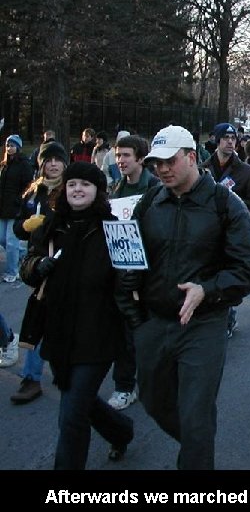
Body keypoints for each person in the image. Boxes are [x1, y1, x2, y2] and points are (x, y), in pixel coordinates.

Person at [118, 124, 250, 469]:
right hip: (154, 322)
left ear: (192, 158)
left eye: (170, 161)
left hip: (204, 325)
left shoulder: (226, 204)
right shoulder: (151, 200)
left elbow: (249, 269)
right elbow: (129, 260)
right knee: (153, 401)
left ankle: (197, 455)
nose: (162, 169)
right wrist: (136, 318)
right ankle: (199, 447)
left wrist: (207, 290)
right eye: (156, 163)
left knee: (196, 416)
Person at [19, 161, 134, 469]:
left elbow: (132, 281)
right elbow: (27, 266)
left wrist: (128, 276)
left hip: (99, 335)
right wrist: (36, 266)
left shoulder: (113, 229)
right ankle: (121, 430)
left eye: (85, 185)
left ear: (97, 191)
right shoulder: (52, 225)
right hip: (58, 334)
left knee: (71, 416)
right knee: (77, 400)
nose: (77, 189)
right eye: (72, 185)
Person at [9, 141, 68, 402]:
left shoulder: (72, 189)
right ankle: (32, 378)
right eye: (48, 160)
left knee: (59, 321)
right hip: (37, 263)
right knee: (38, 319)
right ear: (41, 163)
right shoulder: (34, 193)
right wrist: (26, 226)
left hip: (63, 263)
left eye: (57, 159)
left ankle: (60, 372)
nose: (53, 164)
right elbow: (18, 228)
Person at [106, 135, 160, 411]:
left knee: (147, 332)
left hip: (148, 274)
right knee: (123, 333)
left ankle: (153, 382)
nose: (121, 161)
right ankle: (125, 386)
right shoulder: (115, 189)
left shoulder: (155, 189)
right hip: (121, 272)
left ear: (140, 158)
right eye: (118, 156)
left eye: (126, 155)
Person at [201, 122, 250, 337]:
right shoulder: (204, 169)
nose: (230, 142)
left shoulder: (246, 172)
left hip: (232, 232)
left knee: (228, 273)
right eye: (225, 138)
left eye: (233, 138)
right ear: (216, 140)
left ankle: (227, 314)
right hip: (206, 233)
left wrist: (234, 204)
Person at [1, 134, 34, 282]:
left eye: (12, 145)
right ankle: (22, 254)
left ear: (18, 147)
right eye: (8, 145)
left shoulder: (24, 164)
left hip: (16, 208)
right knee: (2, 239)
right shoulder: (3, 165)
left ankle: (12, 272)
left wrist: (20, 201)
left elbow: (29, 186)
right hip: (2, 207)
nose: (9, 148)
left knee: (10, 241)